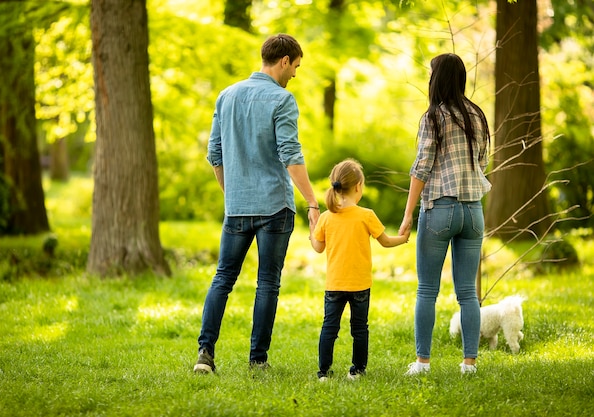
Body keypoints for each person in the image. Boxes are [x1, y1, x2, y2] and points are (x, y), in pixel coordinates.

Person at [194, 34, 320, 374]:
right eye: (296, 66)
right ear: (284, 61)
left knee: (223, 277)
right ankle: (257, 361)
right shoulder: (282, 100)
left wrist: (231, 191)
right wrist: (312, 201)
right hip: (275, 208)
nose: (295, 73)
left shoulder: (227, 95)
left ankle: (205, 354)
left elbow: (214, 154)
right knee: (268, 281)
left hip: (237, 207)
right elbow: (291, 155)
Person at [398, 53, 491, 375]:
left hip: (440, 208)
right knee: (468, 292)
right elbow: (482, 163)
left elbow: (422, 167)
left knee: (427, 289)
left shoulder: (433, 117)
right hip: (473, 210)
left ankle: (423, 362)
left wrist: (408, 214)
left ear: (437, 78)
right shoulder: (477, 115)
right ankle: (469, 364)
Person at [310, 158, 410, 381]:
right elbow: (385, 241)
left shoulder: (326, 217)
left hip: (334, 285)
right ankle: (357, 370)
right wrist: (403, 238)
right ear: (358, 187)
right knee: (359, 329)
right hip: (360, 285)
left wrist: (311, 229)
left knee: (329, 328)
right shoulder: (366, 215)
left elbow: (317, 247)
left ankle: (323, 373)